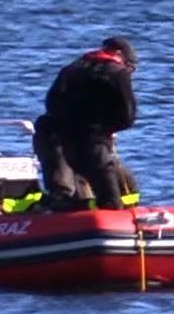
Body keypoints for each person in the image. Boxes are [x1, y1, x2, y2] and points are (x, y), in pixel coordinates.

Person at [33, 36, 139, 211]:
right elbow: (127, 115)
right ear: (119, 55)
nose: (130, 72)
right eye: (131, 67)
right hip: (91, 139)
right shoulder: (117, 73)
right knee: (111, 194)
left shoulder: (71, 69)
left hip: (56, 134)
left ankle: (70, 210)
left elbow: (52, 102)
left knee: (65, 192)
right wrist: (109, 129)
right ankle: (109, 213)